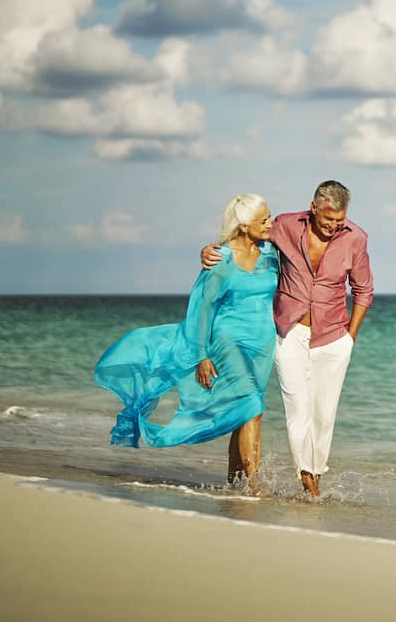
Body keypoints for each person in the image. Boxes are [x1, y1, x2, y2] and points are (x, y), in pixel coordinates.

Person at [95, 194, 280, 490]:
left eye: (270, 217)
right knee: (253, 407)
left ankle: (234, 484)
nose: (271, 223)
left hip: (262, 345)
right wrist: (201, 355)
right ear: (244, 225)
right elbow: (201, 308)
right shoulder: (221, 259)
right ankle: (256, 487)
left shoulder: (272, 253)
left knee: (242, 413)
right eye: (264, 220)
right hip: (227, 341)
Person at [203, 180, 372, 497]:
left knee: (324, 414)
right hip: (290, 331)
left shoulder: (356, 238)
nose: (334, 227)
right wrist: (214, 249)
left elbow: (363, 291)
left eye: (339, 221)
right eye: (327, 220)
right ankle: (306, 479)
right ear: (314, 209)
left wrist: (350, 337)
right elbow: (247, 236)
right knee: (297, 408)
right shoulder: (284, 226)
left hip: (334, 335)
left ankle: (317, 473)